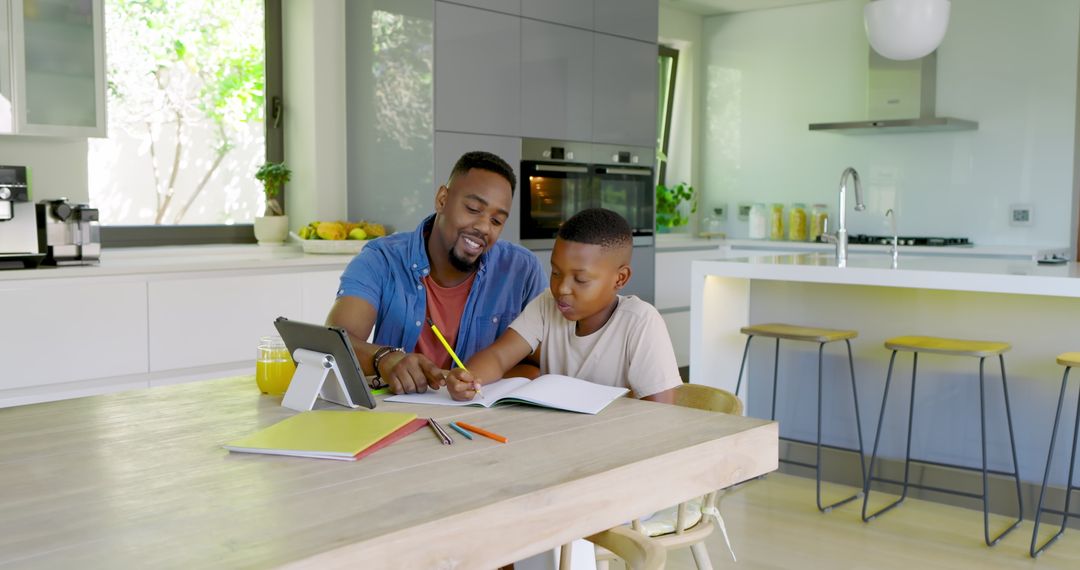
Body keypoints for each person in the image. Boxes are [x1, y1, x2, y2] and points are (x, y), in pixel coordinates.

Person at [327, 151, 547, 395]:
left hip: (484, 418)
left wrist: (473, 380)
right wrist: (384, 358)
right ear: (442, 199)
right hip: (396, 415)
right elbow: (333, 342)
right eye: (473, 209)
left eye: (496, 221)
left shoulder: (522, 270)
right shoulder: (381, 259)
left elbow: (539, 365)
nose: (484, 227)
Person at [445, 207, 682, 404]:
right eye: (556, 272)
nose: (562, 288)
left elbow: (660, 413)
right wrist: (469, 377)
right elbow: (498, 356)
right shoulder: (547, 305)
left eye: (580, 279)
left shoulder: (640, 322)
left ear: (620, 279)